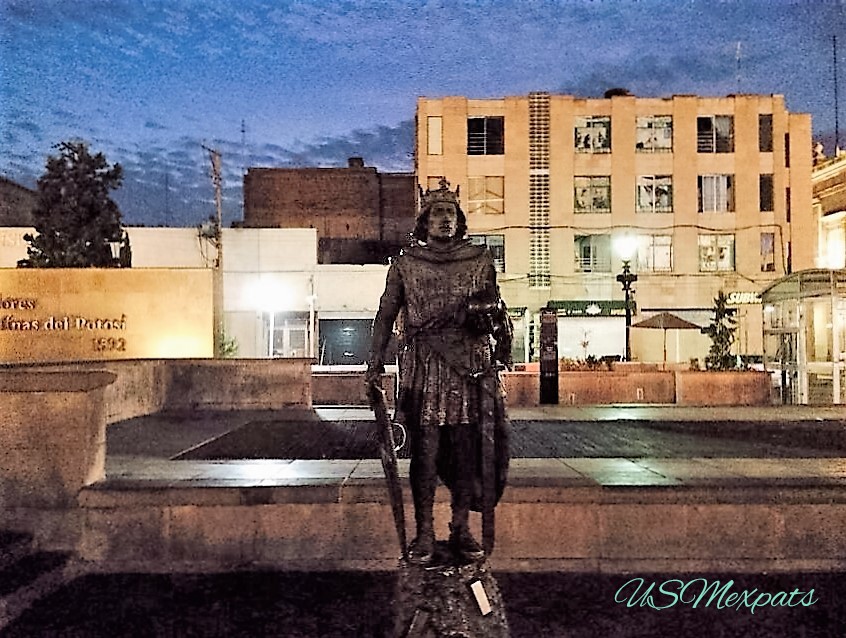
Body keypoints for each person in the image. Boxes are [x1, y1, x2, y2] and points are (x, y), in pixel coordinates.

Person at [366, 178, 512, 566]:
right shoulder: (406, 265)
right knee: (426, 454)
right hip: (426, 368)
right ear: (424, 221)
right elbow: (385, 314)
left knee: (466, 452)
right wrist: (374, 361)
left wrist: (500, 341)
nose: (445, 219)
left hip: (469, 370)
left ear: (459, 220)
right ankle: (425, 531)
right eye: (437, 213)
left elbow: (495, 308)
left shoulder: (480, 260)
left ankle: (460, 526)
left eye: (450, 212)